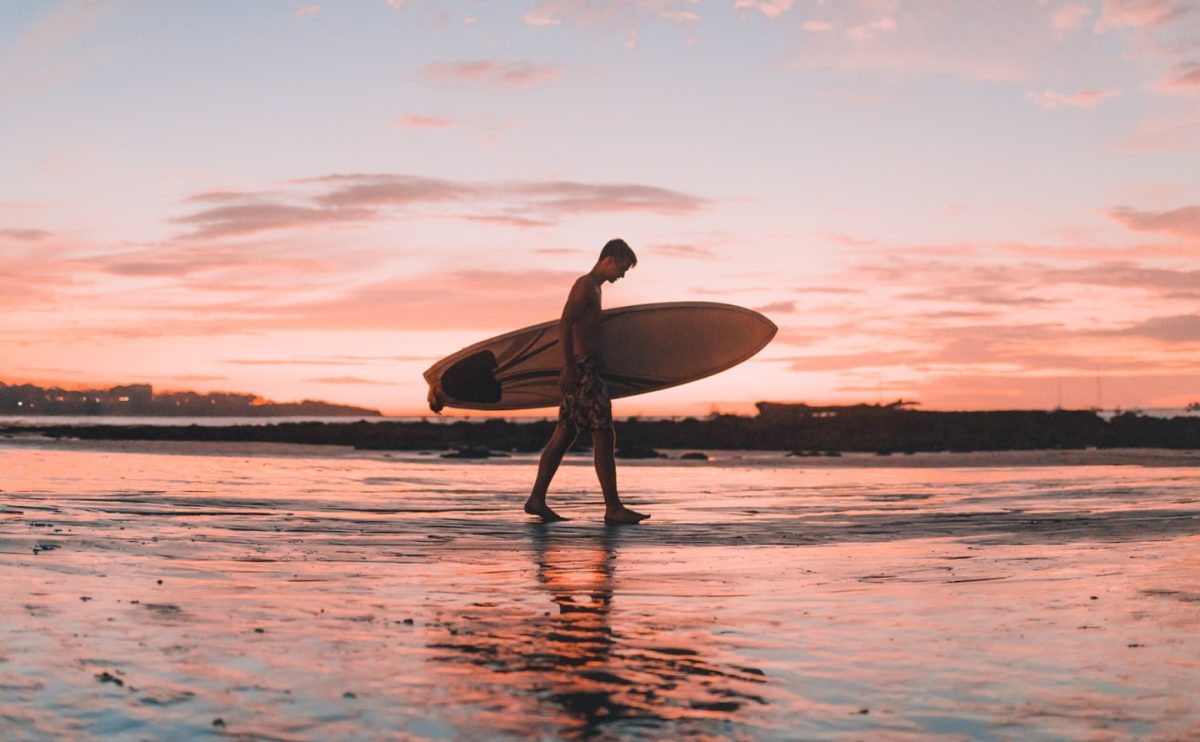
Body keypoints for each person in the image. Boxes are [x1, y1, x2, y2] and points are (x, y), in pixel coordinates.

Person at [524, 238, 650, 525]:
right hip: (584, 371)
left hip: (586, 368)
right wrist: (569, 367)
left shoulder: (594, 288)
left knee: (565, 434)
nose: (622, 275)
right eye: (623, 268)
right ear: (610, 259)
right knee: (603, 433)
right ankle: (613, 507)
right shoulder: (585, 286)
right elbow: (564, 323)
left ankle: (536, 499)